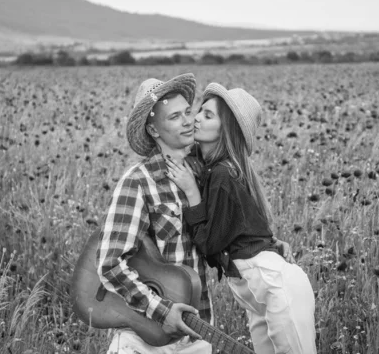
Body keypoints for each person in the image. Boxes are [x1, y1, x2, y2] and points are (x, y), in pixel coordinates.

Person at [96, 74, 293, 354]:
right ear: (154, 130)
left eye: (189, 111)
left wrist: (268, 247)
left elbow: (222, 236)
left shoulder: (206, 176)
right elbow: (110, 264)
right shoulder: (138, 182)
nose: (189, 120)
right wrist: (162, 310)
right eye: (175, 117)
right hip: (144, 337)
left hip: (196, 332)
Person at [164, 83, 317, 354]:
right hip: (257, 290)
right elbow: (248, 224)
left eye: (208, 115)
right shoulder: (214, 169)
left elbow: (209, 244)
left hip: (274, 285)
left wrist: (191, 193)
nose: (196, 117)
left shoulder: (223, 174)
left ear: (226, 130)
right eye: (200, 111)